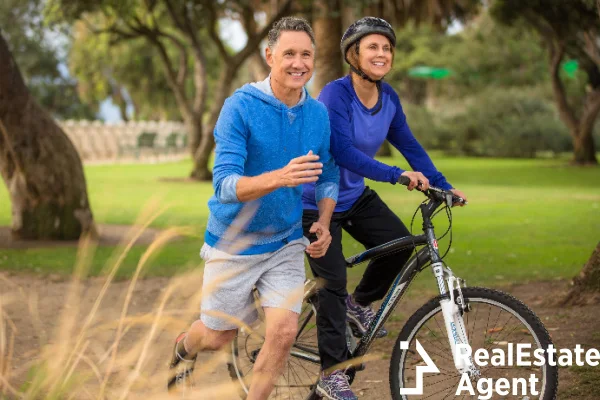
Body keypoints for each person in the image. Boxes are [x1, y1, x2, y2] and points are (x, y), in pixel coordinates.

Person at [167, 17, 339, 400]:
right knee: (217, 336)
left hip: (285, 242)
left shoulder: (317, 115)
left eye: (306, 54)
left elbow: (328, 175)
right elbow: (224, 185)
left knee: (283, 332)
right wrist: (280, 177)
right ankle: (184, 345)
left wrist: (324, 221)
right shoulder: (239, 107)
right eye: (289, 54)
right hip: (234, 242)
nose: (299, 63)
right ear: (269, 56)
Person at [301, 17, 468, 400]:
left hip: (354, 196)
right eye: (372, 47)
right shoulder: (334, 95)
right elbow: (341, 152)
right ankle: (332, 373)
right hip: (313, 202)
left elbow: (409, 145)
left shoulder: (388, 98)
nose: (381, 54)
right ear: (353, 54)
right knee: (332, 283)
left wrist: (442, 186)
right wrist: (397, 176)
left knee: (399, 243)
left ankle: (358, 306)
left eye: (387, 48)